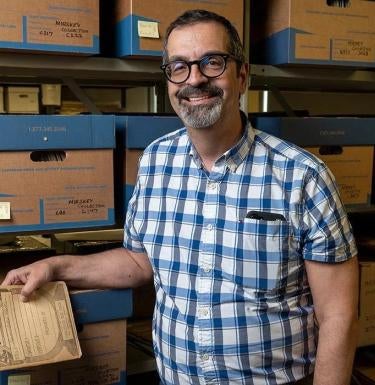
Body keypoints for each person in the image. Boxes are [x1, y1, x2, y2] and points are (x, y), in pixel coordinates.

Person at [2, 9, 359, 385]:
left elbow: (338, 314)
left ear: (242, 75)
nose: (195, 79)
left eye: (212, 62)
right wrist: (56, 268)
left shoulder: (303, 176)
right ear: (168, 81)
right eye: (179, 67)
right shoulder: (156, 160)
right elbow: (139, 262)